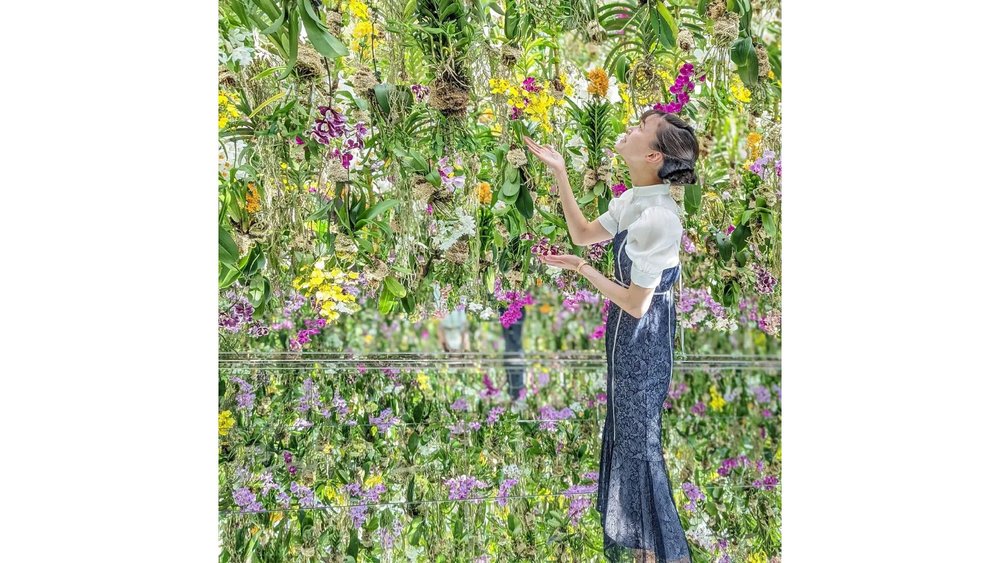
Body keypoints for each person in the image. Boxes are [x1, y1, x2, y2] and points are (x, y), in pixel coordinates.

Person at [525, 108, 697, 563]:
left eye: (639, 129)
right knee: (627, 438)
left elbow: (637, 303)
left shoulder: (660, 217)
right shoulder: (636, 201)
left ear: (653, 154)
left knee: (639, 445)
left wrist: (583, 271)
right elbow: (582, 235)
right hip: (624, 341)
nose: (629, 129)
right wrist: (560, 171)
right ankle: (647, 553)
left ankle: (660, 555)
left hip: (643, 341)